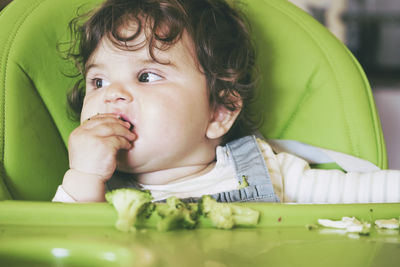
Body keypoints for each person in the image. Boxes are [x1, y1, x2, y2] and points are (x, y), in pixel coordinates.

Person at [53, 0, 400, 204]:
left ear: (219, 112)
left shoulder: (266, 171)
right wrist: (84, 175)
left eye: (146, 76)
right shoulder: (92, 187)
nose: (111, 93)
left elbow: (362, 194)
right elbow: (64, 245)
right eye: (97, 81)